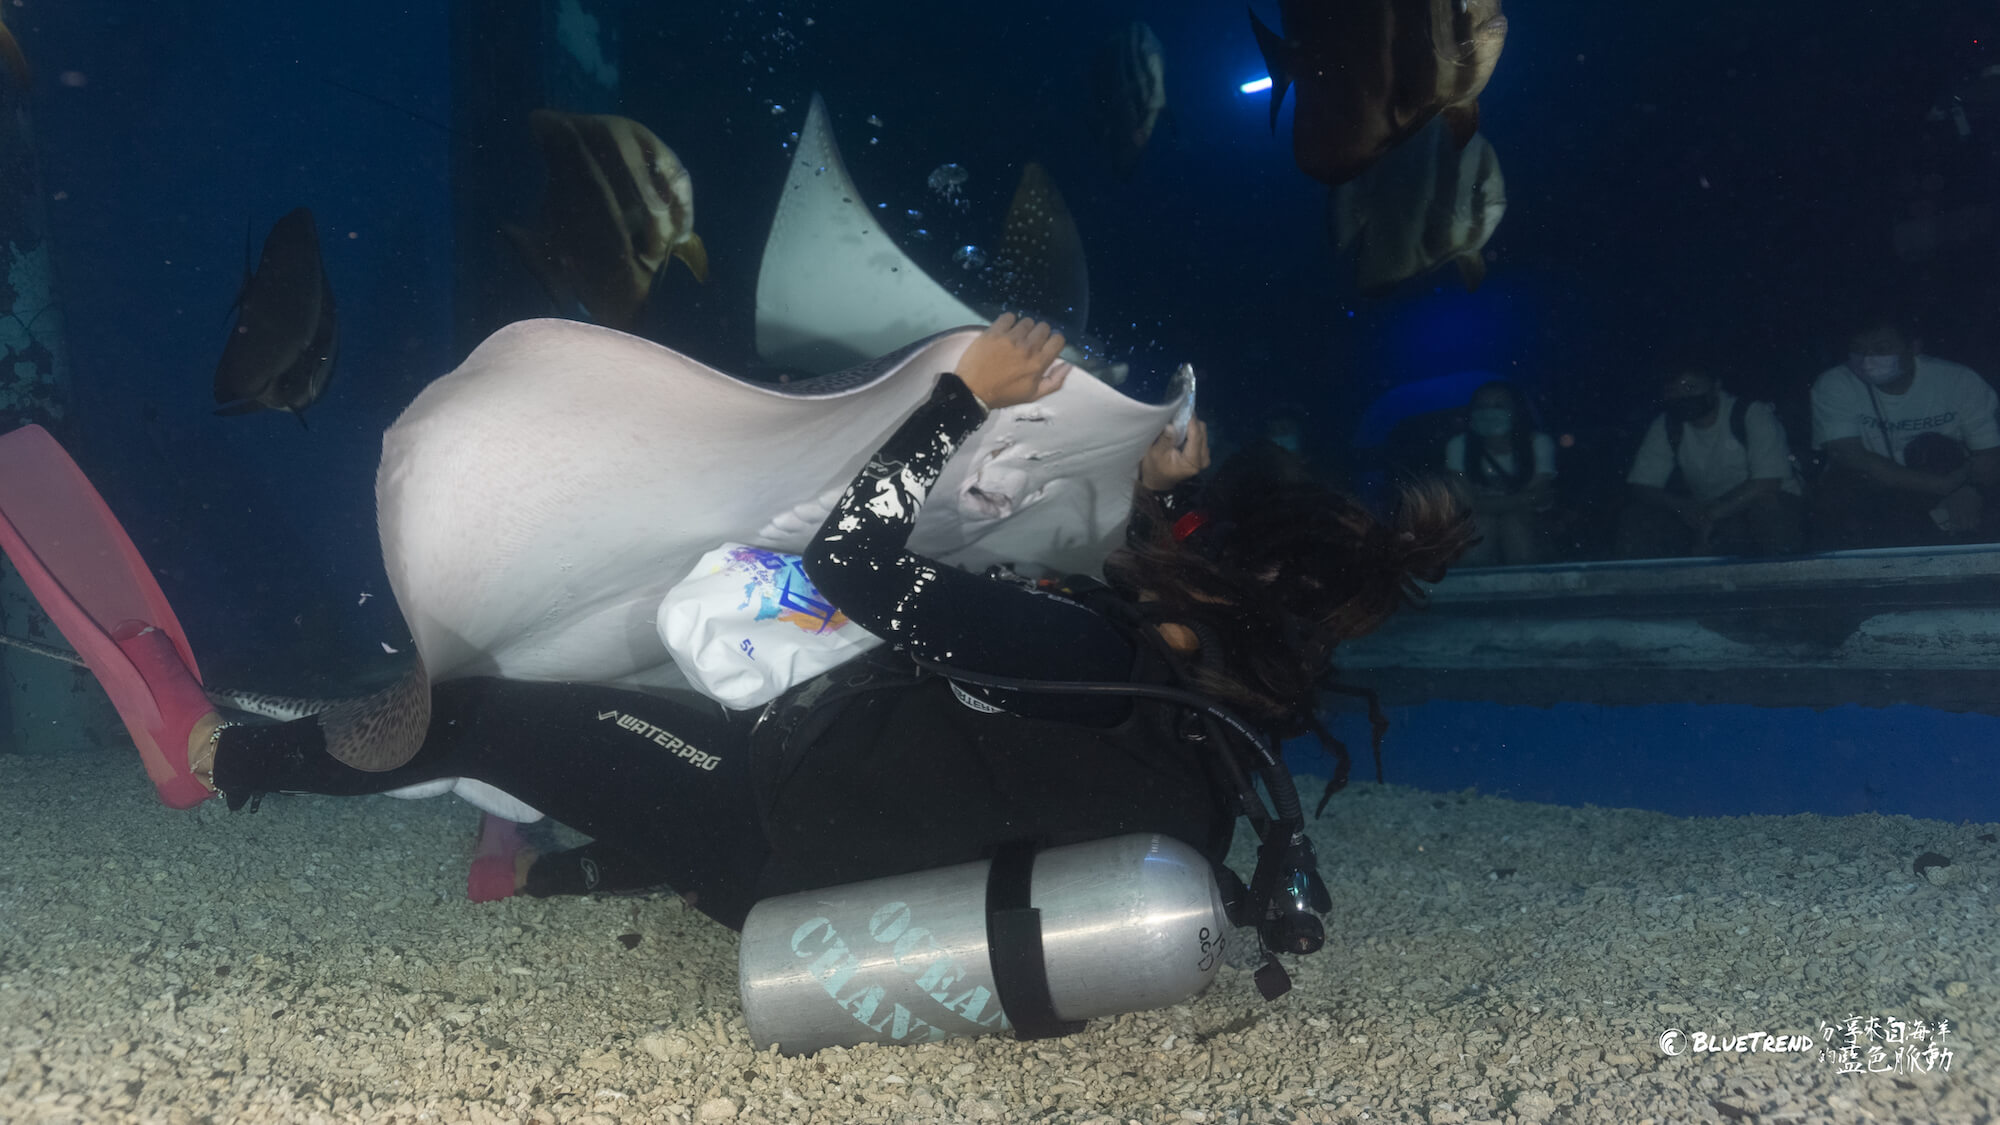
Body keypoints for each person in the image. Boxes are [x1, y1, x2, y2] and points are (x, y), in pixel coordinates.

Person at [5, 315, 1473, 936]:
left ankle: (214, 757)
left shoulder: (1098, 655)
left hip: (778, 837)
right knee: (670, 715)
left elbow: (850, 558)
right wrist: (1137, 482)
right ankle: (533, 874)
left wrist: (960, 403)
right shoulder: (1212, 745)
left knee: (482, 716)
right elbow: (1080, 611)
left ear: (1206, 603)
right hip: (830, 848)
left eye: (1190, 547)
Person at [1809, 313, 2000, 549]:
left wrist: (1972, 492)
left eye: (1882, 348)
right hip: (1876, 484)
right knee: (1837, 495)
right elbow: (1848, 454)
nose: (1868, 359)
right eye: (1858, 349)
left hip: (1953, 475)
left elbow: (1989, 451)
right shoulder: (1834, 383)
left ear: (1914, 347)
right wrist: (1936, 485)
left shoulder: (1959, 380)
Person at [1617, 369, 1805, 557]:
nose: (1683, 396)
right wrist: (1683, 507)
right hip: (1707, 511)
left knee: (1769, 509)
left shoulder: (1751, 413)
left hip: (1768, 506)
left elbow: (1767, 483)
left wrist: (1710, 515)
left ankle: (1786, 578)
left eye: (1690, 387)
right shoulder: (1667, 425)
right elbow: (1642, 485)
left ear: (1716, 387)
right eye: (1673, 390)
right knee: (1638, 518)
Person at [1443, 380, 1554, 565]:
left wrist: (1485, 504)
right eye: (1482, 406)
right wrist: (1519, 499)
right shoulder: (1458, 446)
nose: (1489, 413)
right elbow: (1465, 503)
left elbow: (1539, 496)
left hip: (1529, 525)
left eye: (1499, 406)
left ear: (1517, 411)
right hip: (1478, 524)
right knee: (1481, 526)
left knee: (1514, 525)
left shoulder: (1538, 444)